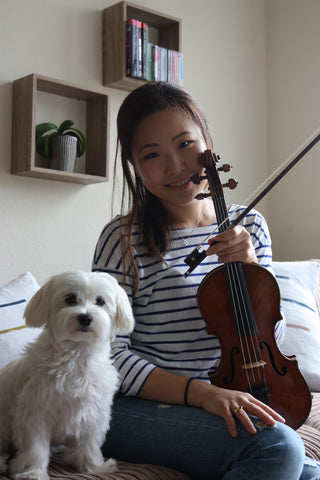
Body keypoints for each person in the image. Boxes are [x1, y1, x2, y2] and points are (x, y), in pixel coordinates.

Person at [92, 82, 320, 480]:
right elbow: (105, 355)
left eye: (184, 144)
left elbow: (267, 344)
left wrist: (252, 270)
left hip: (223, 397)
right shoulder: (122, 240)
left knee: (307, 472)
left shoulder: (249, 225)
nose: (175, 166)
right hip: (133, 406)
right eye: (152, 155)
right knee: (279, 447)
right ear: (134, 165)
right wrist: (200, 394)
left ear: (208, 142)